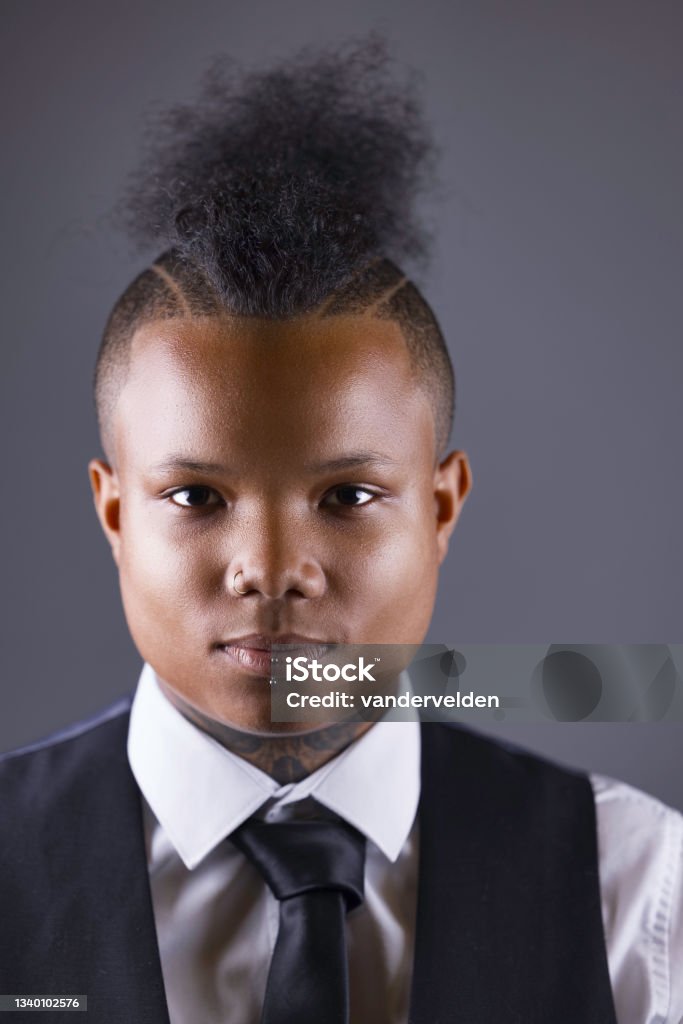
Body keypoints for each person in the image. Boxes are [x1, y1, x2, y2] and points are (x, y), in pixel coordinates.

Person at [1, 40, 681, 1024]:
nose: (272, 570)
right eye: (195, 496)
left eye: (347, 496)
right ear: (113, 512)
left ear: (442, 507)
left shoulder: (635, 891)